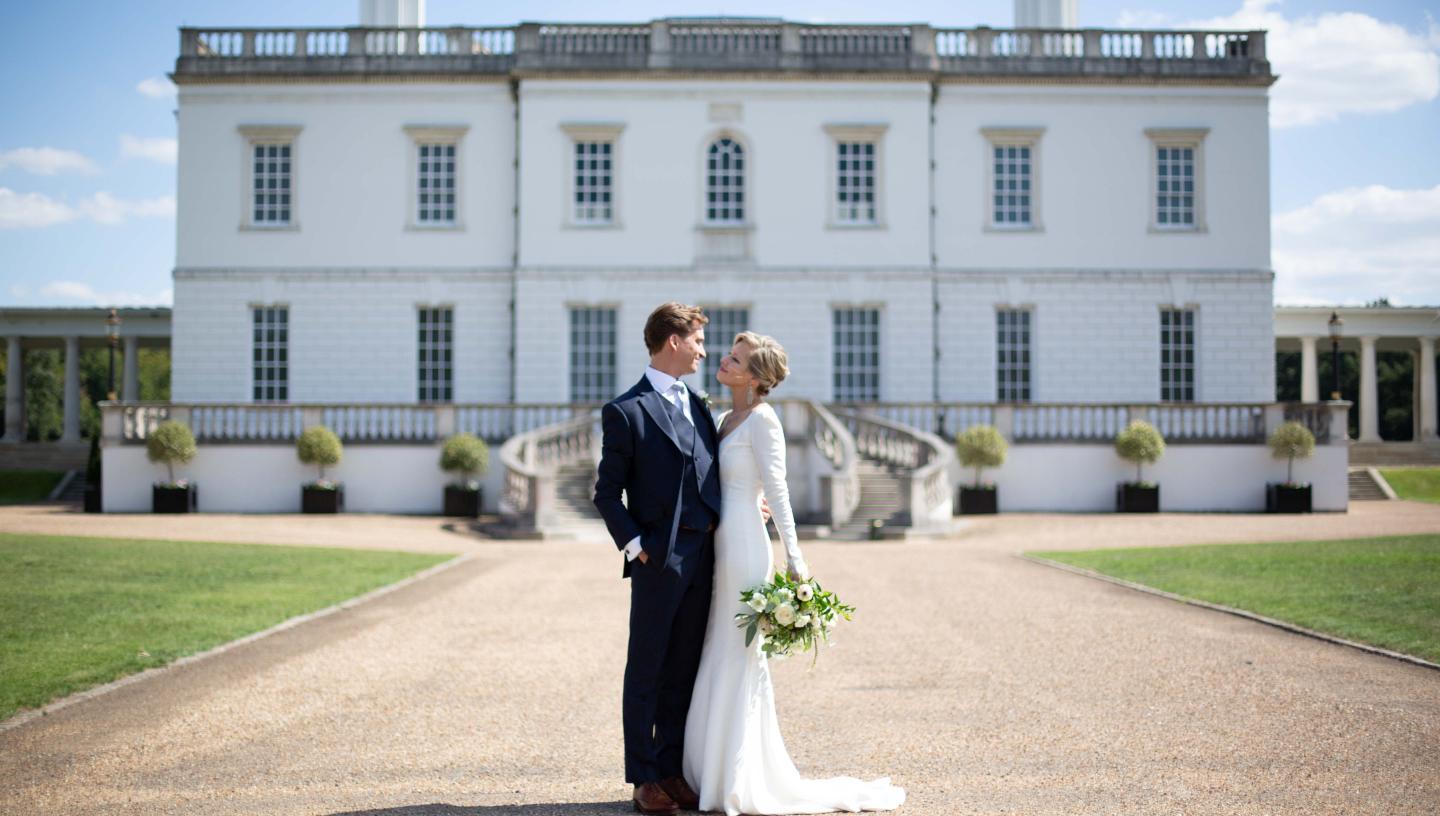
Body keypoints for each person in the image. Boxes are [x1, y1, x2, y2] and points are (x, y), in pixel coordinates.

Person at [682, 331, 906, 815]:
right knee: (715, 645)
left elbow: (778, 491)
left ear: (756, 377)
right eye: (728, 354)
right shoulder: (724, 419)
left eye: (735, 358)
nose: (723, 359)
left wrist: (796, 559)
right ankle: (708, 771)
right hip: (719, 541)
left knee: (739, 652)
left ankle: (739, 776)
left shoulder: (764, 422)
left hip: (745, 544)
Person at [593, 302, 722, 814]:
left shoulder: (700, 405)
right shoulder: (626, 411)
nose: (703, 351)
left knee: (684, 667)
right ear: (673, 341)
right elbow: (606, 494)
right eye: (697, 340)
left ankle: (670, 768)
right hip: (659, 558)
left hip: (705, 555)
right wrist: (637, 548)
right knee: (645, 668)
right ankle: (643, 778)